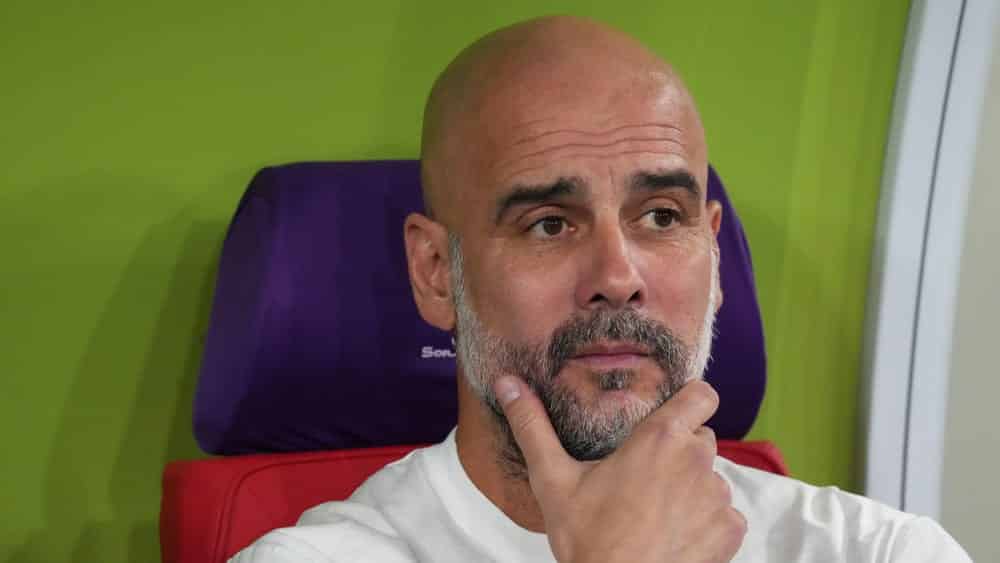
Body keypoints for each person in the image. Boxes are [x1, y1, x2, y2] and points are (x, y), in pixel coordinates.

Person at [231, 15, 969, 563]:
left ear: (713, 256)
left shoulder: (881, 550)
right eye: (549, 223)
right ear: (435, 272)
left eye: (661, 216)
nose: (618, 277)